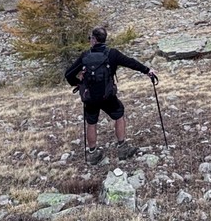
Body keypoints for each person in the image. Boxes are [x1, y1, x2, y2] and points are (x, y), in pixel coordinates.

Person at [65, 26, 157, 165]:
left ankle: (93, 154)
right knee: (119, 115)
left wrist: (78, 83)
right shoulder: (112, 54)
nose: (90, 40)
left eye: (90, 38)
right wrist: (147, 70)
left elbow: (68, 74)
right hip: (107, 95)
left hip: (90, 97)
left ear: (94, 39)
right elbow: (130, 62)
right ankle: (122, 148)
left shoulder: (85, 55)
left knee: (91, 122)